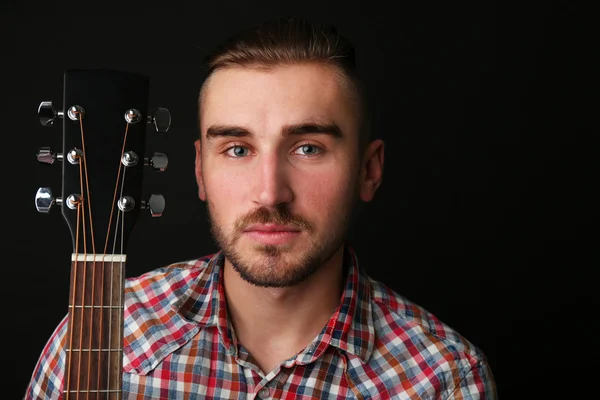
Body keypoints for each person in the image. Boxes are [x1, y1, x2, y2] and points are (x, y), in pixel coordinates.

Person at [25, 16, 497, 399]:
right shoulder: (95, 333)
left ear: (368, 170)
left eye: (308, 148)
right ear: (199, 171)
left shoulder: (444, 380)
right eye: (237, 148)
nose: (270, 194)